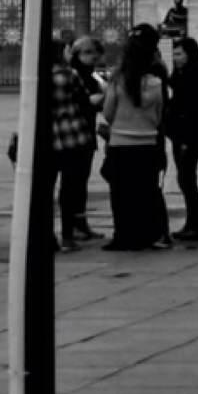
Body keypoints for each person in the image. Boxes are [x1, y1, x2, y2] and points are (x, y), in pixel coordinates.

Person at [100, 26, 170, 249]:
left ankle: (123, 235)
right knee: (145, 192)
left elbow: (108, 112)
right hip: (147, 142)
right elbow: (159, 115)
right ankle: (146, 234)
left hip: (121, 142)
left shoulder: (118, 80)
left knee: (121, 194)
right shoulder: (157, 83)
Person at [39, 33, 102, 247]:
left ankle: (47, 235)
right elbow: (84, 99)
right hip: (71, 136)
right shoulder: (69, 74)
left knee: (46, 189)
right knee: (69, 187)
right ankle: (68, 236)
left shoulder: (37, 76)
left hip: (47, 139)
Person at [159, 7, 198, 245]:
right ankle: (194, 223)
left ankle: (197, 224)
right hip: (184, 134)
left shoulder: (192, 76)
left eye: (179, 53)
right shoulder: (185, 74)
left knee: (187, 181)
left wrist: (182, 138)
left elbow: (191, 109)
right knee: (186, 180)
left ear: (189, 54)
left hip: (188, 136)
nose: (176, 57)